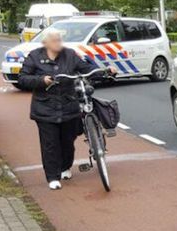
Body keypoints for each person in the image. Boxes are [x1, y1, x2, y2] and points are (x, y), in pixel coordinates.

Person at [18, 31, 113, 190]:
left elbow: (85, 68)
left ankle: (65, 167)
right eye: (54, 40)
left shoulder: (69, 54)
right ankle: (52, 177)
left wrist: (105, 71)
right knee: (50, 144)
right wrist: (41, 80)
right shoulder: (34, 56)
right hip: (45, 108)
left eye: (59, 40)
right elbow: (22, 78)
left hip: (69, 106)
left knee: (67, 141)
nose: (58, 43)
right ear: (46, 43)